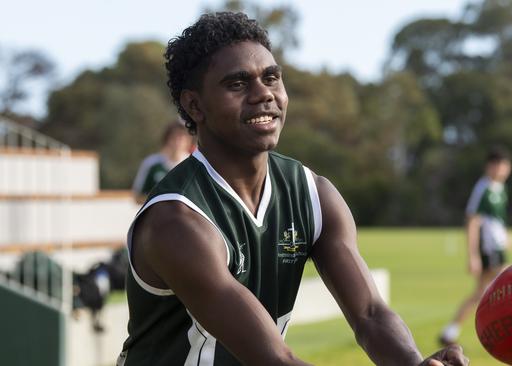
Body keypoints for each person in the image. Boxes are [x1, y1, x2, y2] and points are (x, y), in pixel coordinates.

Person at [117, 12, 468, 366]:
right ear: (195, 105)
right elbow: (274, 359)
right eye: (238, 84)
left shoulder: (314, 195)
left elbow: (371, 316)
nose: (264, 94)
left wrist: (414, 363)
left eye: (271, 78)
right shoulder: (176, 221)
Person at [439, 147, 512, 346]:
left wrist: (506, 234)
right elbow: (472, 221)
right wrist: (473, 255)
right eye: (497, 166)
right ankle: (503, 333)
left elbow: (497, 219)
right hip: (488, 249)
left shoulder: (501, 189)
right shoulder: (483, 188)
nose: (501, 170)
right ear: (488, 167)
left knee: (483, 291)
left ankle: (450, 330)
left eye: (504, 166)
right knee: (506, 286)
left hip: (499, 248)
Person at [131, 120, 194, 203]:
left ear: (188, 141)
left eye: (181, 137)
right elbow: (137, 197)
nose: (177, 142)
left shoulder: (193, 165)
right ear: (167, 139)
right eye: (174, 137)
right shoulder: (151, 163)